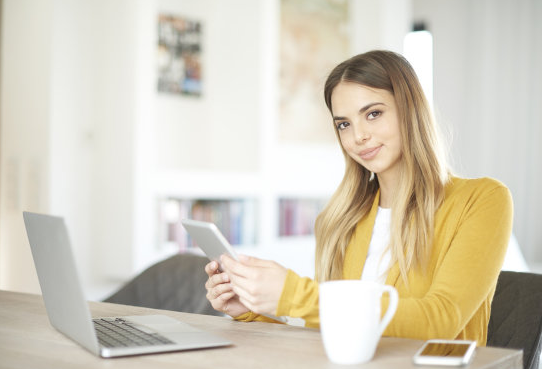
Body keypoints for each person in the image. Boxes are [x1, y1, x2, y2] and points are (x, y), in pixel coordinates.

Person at [204, 50, 513, 346]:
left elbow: (440, 319)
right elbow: (326, 327)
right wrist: (251, 309)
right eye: (344, 124)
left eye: (373, 114)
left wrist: (292, 294)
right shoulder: (341, 219)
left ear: (410, 109)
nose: (358, 136)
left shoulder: (482, 200)